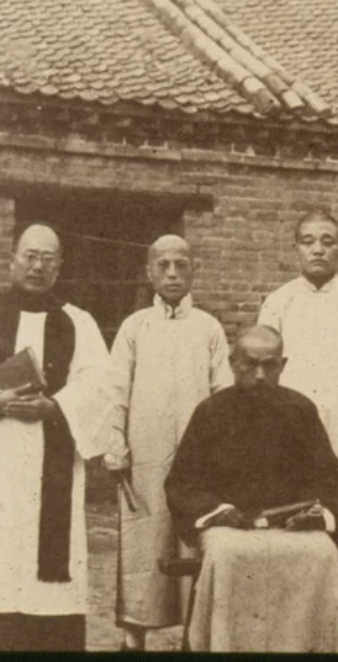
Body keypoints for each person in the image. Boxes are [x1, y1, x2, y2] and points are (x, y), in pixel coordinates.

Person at [164, 325, 338, 652]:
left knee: (322, 553)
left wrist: (317, 515)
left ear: (283, 364)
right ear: (233, 363)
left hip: (293, 529)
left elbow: (327, 478)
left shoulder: (302, 410)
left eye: (270, 365)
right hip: (228, 528)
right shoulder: (210, 412)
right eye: (250, 364)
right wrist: (218, 511)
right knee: (226, 554)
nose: (260, 375)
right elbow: (183, 482)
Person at [0, 223, 112, 651]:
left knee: (47, 594)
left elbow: (99, 388)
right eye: (30, 256)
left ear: (60, 267)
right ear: (11, 259)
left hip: (50, 461)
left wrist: (56, 407)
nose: (38, 266)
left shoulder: (78, 321)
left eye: (48, 259)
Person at [104, 235, 231, 651]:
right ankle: (133, 634)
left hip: (198, 458)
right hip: (145, 455)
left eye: (181, 265)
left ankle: (193, 634)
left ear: (193, 270)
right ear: (150, 272)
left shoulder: (209, 328)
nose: (173, 274)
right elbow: (116, 391)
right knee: (144, 539)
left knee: (195, 538)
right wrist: (116, 444)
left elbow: (222, 392)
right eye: (164, 266)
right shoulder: (134, 327)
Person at [258, 211, 338, 442]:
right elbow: (264, 370)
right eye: (308, 242)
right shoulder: (278, 302)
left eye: (327, 242)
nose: (318, 250)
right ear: (295, 248)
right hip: (289, 422)